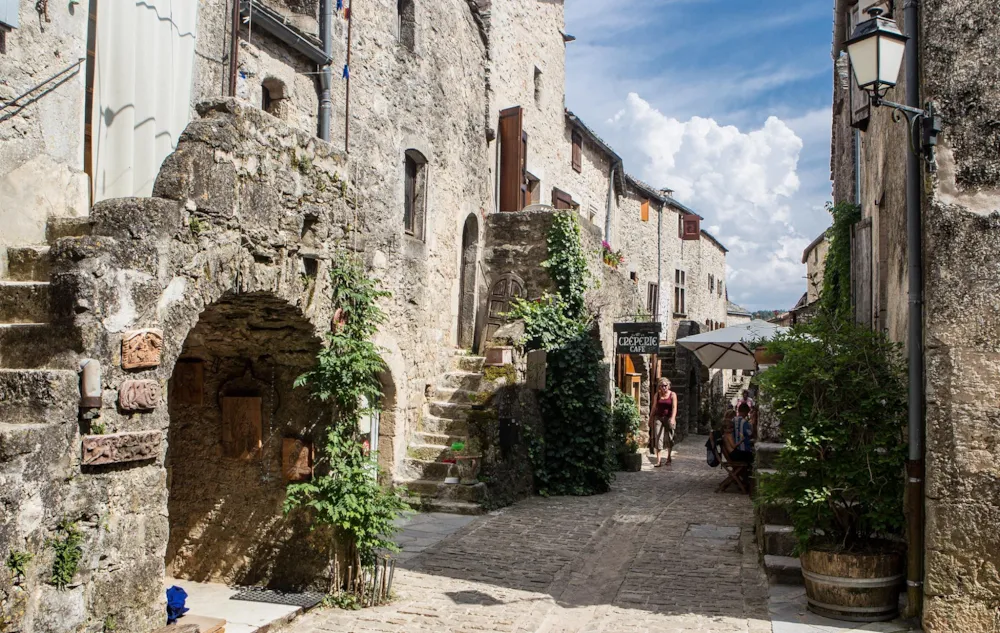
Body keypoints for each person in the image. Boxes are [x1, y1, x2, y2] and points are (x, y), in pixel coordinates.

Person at [649, 378, 677, 467]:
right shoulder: (657, 395)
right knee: (658, 437)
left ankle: (669, 457)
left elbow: (674, 408)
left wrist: (672, 418)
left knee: (669, 437)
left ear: (668, 386)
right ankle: (658, 461)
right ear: (659, 387)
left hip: (669, 417)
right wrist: (650, 418)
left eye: (665, 385)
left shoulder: (672, 395)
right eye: (662, 386)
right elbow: (654, 407)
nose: (664, 387)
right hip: (658, 417)